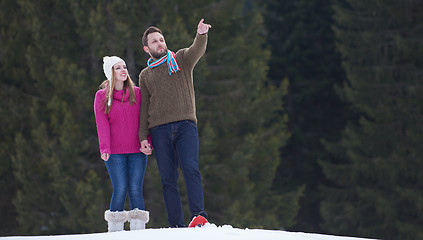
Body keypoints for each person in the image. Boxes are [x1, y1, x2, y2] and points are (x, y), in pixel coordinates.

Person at [138, 19, 211, 228]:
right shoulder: (145, 75)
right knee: (168, 179)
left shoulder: (180, 59)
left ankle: (199, 216)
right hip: (159, 130)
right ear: (147, 48)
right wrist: (143, 136)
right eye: (154, 42)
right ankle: (176, 226)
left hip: (186, 126)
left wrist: (201, 35)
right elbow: (144, 108)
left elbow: (196, 49)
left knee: (190, 168)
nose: (160, 43)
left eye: (161, 39)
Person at [94, 56, 150, 232]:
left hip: (137, 151)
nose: (123, 70)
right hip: (114, 153)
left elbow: (145, 120)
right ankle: (115, 231)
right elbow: (101, 123)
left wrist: (147, 142)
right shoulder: (102, 96)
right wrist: (105, 147)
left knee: (135, 188)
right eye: (118, 68)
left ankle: (138, 230)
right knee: (120, 188)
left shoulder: (138, 93)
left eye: (124, 66)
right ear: (111, 73)